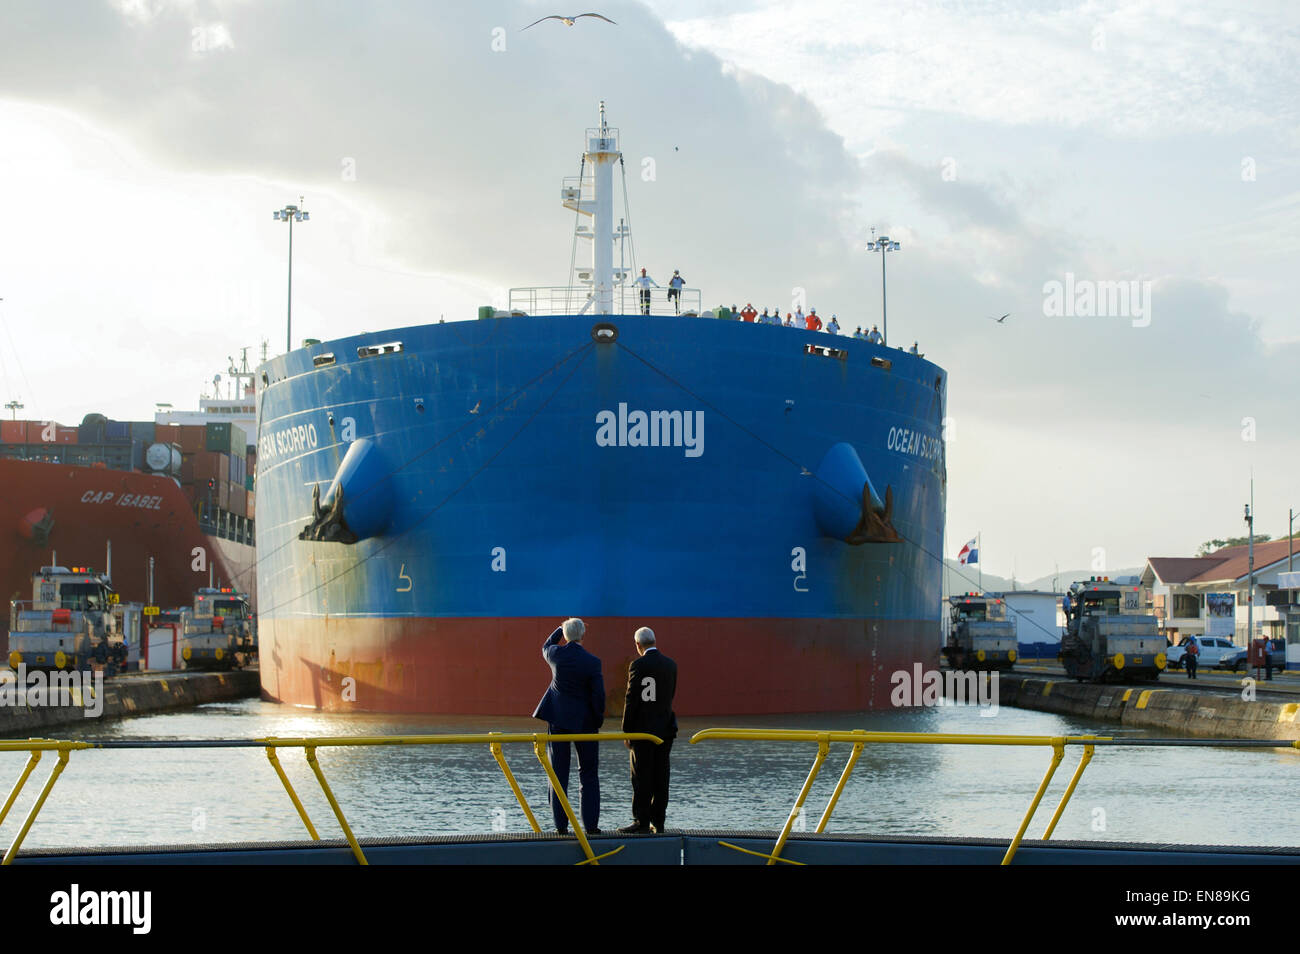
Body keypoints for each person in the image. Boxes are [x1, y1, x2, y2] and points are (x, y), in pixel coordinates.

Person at [532, 618, 606, 834]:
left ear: (565, 636)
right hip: (586, 723)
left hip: (558, 721)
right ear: (583, 635)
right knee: (589, 774)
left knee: (558, 774)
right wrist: (598, 718)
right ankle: (591, 827)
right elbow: (598, 695)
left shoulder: (556, 655)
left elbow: (546, 645)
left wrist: (559, 631)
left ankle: (561, 827)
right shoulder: (593, 662)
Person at [618, 627, 677, 834]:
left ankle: (641, 821)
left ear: (638, 645)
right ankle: (658, 822)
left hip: (642, 731)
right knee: (661, 777)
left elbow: (631, 698)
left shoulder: (637, 665)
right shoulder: (671, 665)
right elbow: (670, 696)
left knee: (641, 777)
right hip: (665, 731)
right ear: (654, 640)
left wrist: (627, 731)